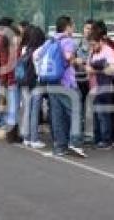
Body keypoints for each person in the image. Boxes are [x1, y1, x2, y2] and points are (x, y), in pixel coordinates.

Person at [34, 15, 86, 157]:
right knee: (75, 111)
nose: (74, 28)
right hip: (66, 82)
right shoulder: (67, 41)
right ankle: (75, 143)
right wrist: (78, 61)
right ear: (68, 26)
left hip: (51, 82)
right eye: (72, 25)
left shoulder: (50, 41)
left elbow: (37, 56)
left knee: (57, 115)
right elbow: (69, 57)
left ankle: (59, 146)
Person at [86, 28, 114, 149]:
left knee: (103, 114)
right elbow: (88, 66)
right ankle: (98, 138)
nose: (92, 47)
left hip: (104, 86)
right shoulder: (92, 52)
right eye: (91, 45)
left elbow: (112, 69)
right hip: (94, 86)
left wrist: (94, 70)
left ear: (100, 41)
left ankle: (106, 140)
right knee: (97, 114)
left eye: (94, 44)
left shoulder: (108, 51)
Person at [20, 25, 48, 149]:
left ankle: (26, 137)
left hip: (24, 81)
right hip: (36, 82)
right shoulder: (40, 51)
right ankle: (34, 138)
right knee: (34, 110)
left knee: (27, 110)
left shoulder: (25, 49)